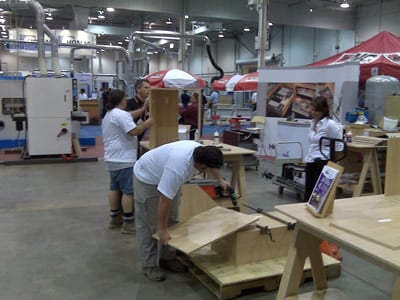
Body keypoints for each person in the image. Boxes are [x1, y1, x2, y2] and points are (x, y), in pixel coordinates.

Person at [133, 141, 230, 281]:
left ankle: (167, 258)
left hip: (165, 174)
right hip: (147, 177)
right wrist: (163, 230)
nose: (210, 171)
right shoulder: (177, 168)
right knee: (150, 225)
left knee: (173, 220)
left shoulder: (201, 152)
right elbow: (165, 200)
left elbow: (212, 166)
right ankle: (149, 266)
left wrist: (220, 180)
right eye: (207, 169)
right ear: (202, 166)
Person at [102, 89, 153, 234]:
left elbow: (129, 115)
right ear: (122, 100)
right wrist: (149, 122)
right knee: (128, 192)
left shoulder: (110, 114)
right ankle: (128, 223)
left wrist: (143, 109)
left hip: (112, 157)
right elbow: (134, 131)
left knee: (114, 188)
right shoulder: (121, 115)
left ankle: (115, 218)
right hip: (124, 158)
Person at [304, 95, 342, 202]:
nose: (313, 112)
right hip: (310, 159)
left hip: (322, 161)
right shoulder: (312, 123)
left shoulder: (330, 124)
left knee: (319, 195)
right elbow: (312, 142)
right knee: (308, 193)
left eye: (316, 110)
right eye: (312, 109)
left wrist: (335, 164)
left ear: (323, 110)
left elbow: (338, 144)